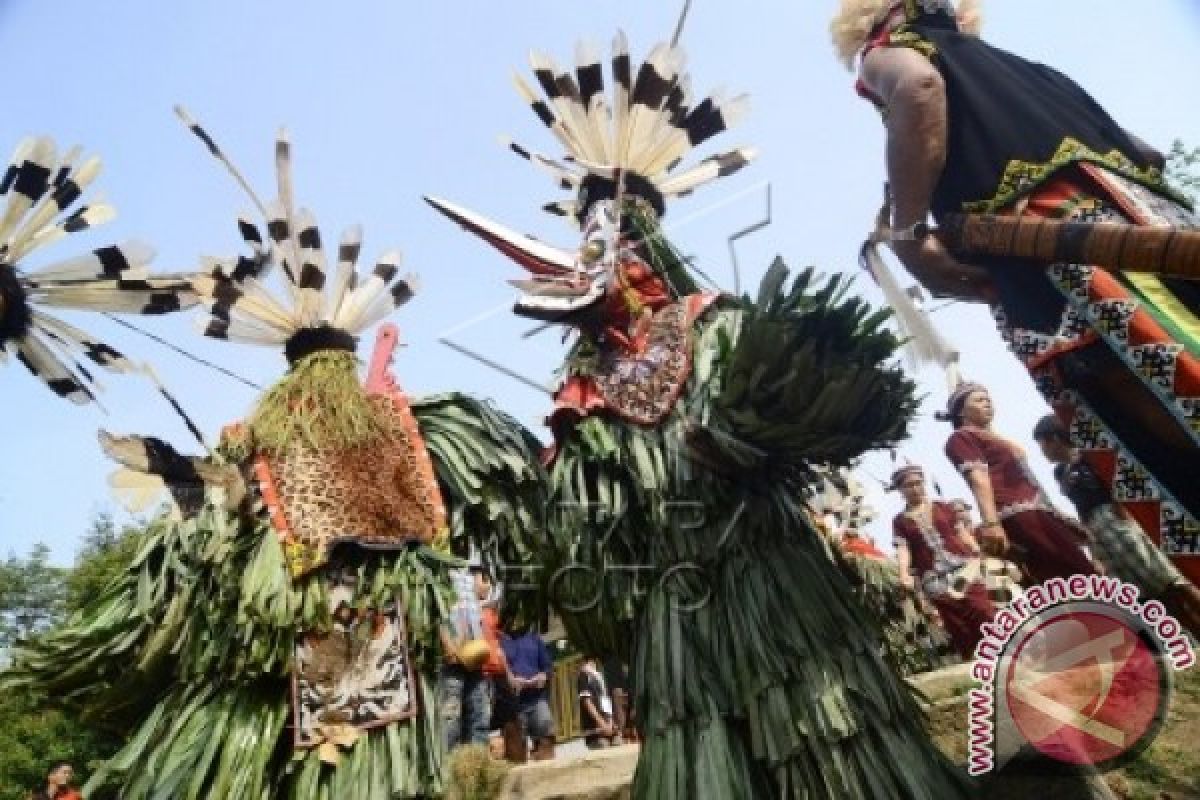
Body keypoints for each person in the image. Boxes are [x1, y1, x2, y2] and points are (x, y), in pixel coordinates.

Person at [834, 0, 1200, 588]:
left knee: (1161, 433)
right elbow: (1147, 153)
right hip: (1161, 236)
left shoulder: (888, 53)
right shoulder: (1037, 72)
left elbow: (919, 87)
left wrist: (907, 235)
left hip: (1073, 274)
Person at [1034, 414, 1200, 634]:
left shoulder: (1088, 456)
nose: (1042, 451)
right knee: (1147, 591)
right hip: (1097, 529)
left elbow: (1112, 481)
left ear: (1054, 438)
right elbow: (1080, 505)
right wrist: (1091, 540)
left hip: (1116, 518)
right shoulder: (1060, 473)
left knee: (1165, 577)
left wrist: (1125, 514)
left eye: (1042, 443)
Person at [939, 382, 1096, 584]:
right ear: (961, 412)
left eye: (988, 399)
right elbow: (979, 479)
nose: (987, 403)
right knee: (1071, 578)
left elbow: (1029, 483)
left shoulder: (993, 438)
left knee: (1078, 572)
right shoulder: (961, 437)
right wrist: (991, 524)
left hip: (1039, 512)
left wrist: (1059, 517)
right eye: (979, 400)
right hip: (1020, 516)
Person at [890, 464, 998, 658]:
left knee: (983, 610)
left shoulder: (943, 507)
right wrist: (903, 573)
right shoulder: (900, 521)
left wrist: (977, 550)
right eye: (909, 485)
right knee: (958, 624)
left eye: (918, 483)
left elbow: (960, 532)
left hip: (964, 568)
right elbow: (903, 548)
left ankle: (1006, 653)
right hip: (933, 578)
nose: (915, 488)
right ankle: (978, 666)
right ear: (900, 490)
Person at [440, 564, 496, 751]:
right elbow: (436, 613)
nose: (488, 587)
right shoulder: (444, 574)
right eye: (486, 580)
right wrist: (447, 643)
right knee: (451, 716)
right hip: (452, 657)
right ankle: (452, 764)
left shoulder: (468, 585)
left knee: (480, 711)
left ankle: (478, 760)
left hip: (474, 657)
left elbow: (475, 615)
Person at [499, 625, 556, 761]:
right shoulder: (500, 641)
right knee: (516, 752)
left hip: (537, 699)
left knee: (546, 740)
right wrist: (510, 680)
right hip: (514, 706)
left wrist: (543, 675)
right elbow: (496, 670)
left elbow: (548, 666)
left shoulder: (534, 638)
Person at [577, 655, 616, 749]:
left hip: (608, 727)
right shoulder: (584, 675)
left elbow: (605, 701)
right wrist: (602, 723)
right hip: (595, 730)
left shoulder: (599, 677)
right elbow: (587, 701)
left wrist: (610, 722)